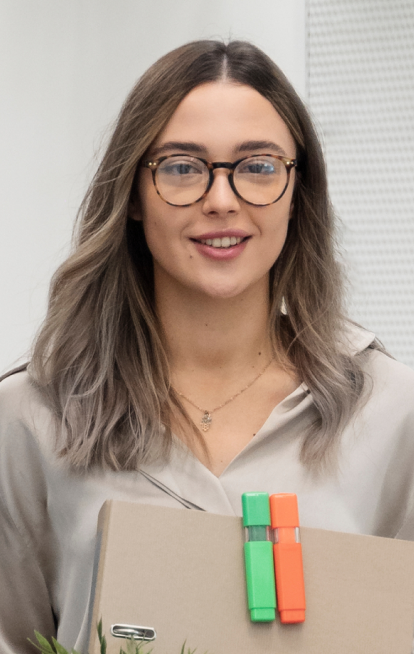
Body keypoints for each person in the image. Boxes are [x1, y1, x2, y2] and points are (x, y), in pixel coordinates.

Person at [1, 39, 414, 653]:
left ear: (299, 193)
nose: (221, 200)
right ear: (134, 195)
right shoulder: (30, 414)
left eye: (258, 165)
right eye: (181, 167)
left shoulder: (392, 411)